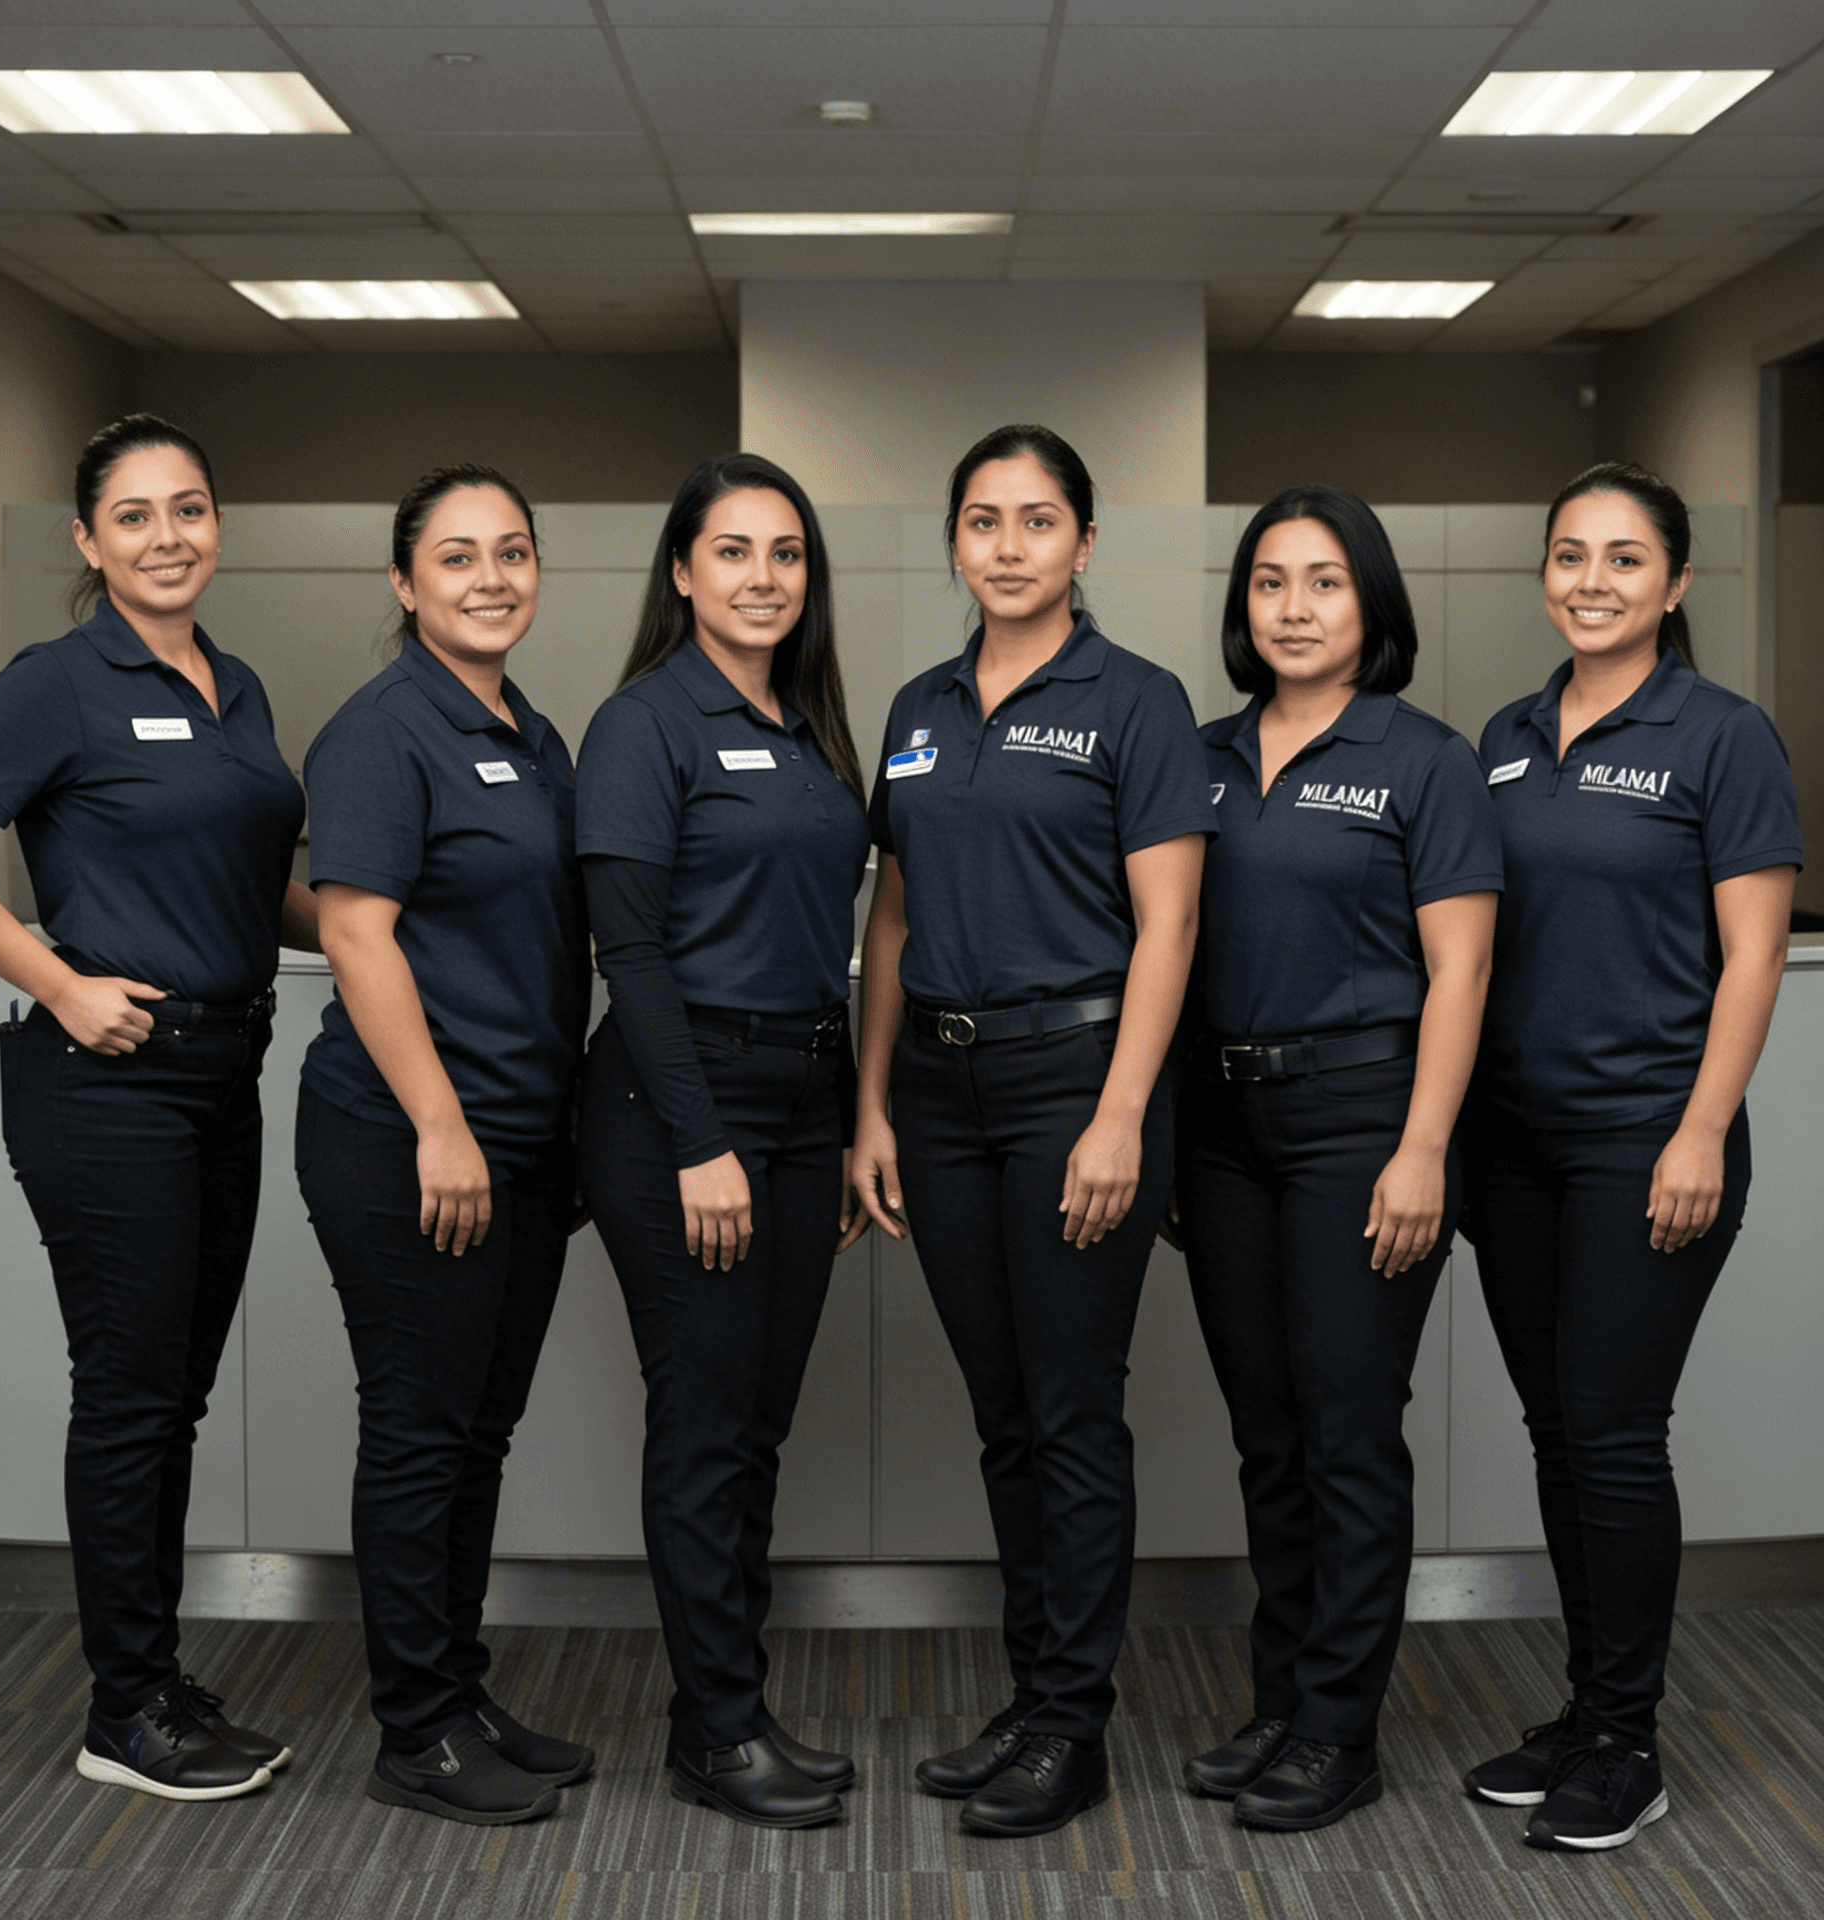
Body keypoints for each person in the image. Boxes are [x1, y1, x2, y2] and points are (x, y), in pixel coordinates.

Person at [0, 414, 313, 1800]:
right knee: (132, 1398)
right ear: (89, 542)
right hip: (111, 1081)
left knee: (171, 1399)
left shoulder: (235, 685)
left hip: (221, 1073)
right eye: (133, 517)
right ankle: (122, 1711)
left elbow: (256, 885)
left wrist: (395, 915)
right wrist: (59, 981)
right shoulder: (58, 682)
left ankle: (153, 1672)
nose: (166, 536)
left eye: (188, 509)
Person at [850, 424, 1212, 1839]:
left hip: (1077, 1088)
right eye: (986, 521)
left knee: (1071, 1414)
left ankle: (1074, 1723)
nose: (1009, 545)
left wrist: (1124, 1113)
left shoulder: (1138, 701)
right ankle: (1031, 1691)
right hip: (940, 1096)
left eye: (1040, 520)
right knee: (1004, 1417)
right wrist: (870, 1103)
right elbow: (891, 915)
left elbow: (1171, 925)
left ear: (1086, 544)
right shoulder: (918, 706)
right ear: (956, 541)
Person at [1458, 463, 1800, 1853]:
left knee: (1611, 1435)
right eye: (1568, 556)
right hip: (1514, 1145)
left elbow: (1757, 952)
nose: (1590, 580)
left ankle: (1626, 1740)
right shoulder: (1506, 732)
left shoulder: (1722, 735)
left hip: (1645, 1141)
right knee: (1560, 1435)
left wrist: (1702, 1129)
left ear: (1675, 585)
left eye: (1621, 559)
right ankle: (1587, 1706)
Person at [1175, 488, 1501, 1832]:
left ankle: (1338, 1730)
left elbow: (1463, 964)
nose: (1294, 608)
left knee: (1348, 1433)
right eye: (1269, 582)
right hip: (1224, 1129)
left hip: (1362, 1122)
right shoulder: (1193, 755)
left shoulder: (1424, 759)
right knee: (1268, 1433)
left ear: (1372, 602)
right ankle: (1281, 1702)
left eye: (1323, 582)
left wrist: (1425, 1148)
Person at [295, 465, 592, 1826]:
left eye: (513, 552)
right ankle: (414, 1731)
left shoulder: (534, 730)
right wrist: (440, 1124)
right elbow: (355, 931)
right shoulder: (382, 730)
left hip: (518, 1141)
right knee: (419, 1434)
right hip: (406, 1137)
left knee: (478, 1433)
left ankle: (459, 1692)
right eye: (459, 557)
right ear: (406, 584)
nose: (491, 577)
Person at [576, 452, 869, 1831]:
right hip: (682, 1105)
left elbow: (838, 945)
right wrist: (702, 1142)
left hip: (804, 1108)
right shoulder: (648, 723)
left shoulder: (810, 726)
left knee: (754, 1428)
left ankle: (731, 1701)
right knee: (703, 1429)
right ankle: (716, 1731)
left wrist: (850, 1110)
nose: (764, 577)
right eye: (735, 551)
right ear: (682, 571)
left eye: (788, 554)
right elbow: (626, 948)